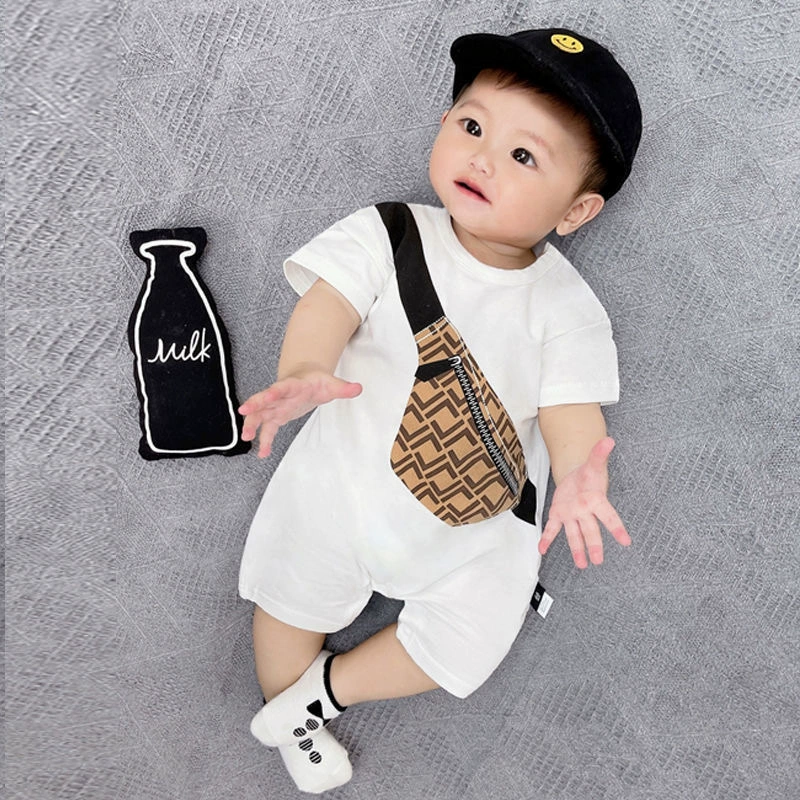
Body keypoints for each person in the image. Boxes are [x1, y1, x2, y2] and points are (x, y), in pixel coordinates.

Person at [237, 28, 641, 794]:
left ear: (576, 211)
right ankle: (287, 704)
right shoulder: (388, 231)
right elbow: (328, 306)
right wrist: (306, 370)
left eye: (523, 156)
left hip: (475, 526)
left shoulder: (567, 307)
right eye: (472, 125)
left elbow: (570, 409)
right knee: (285, 600)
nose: (482, 159)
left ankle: (323, 695)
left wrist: (583, 476)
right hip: (343, 489)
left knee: (472, 637)